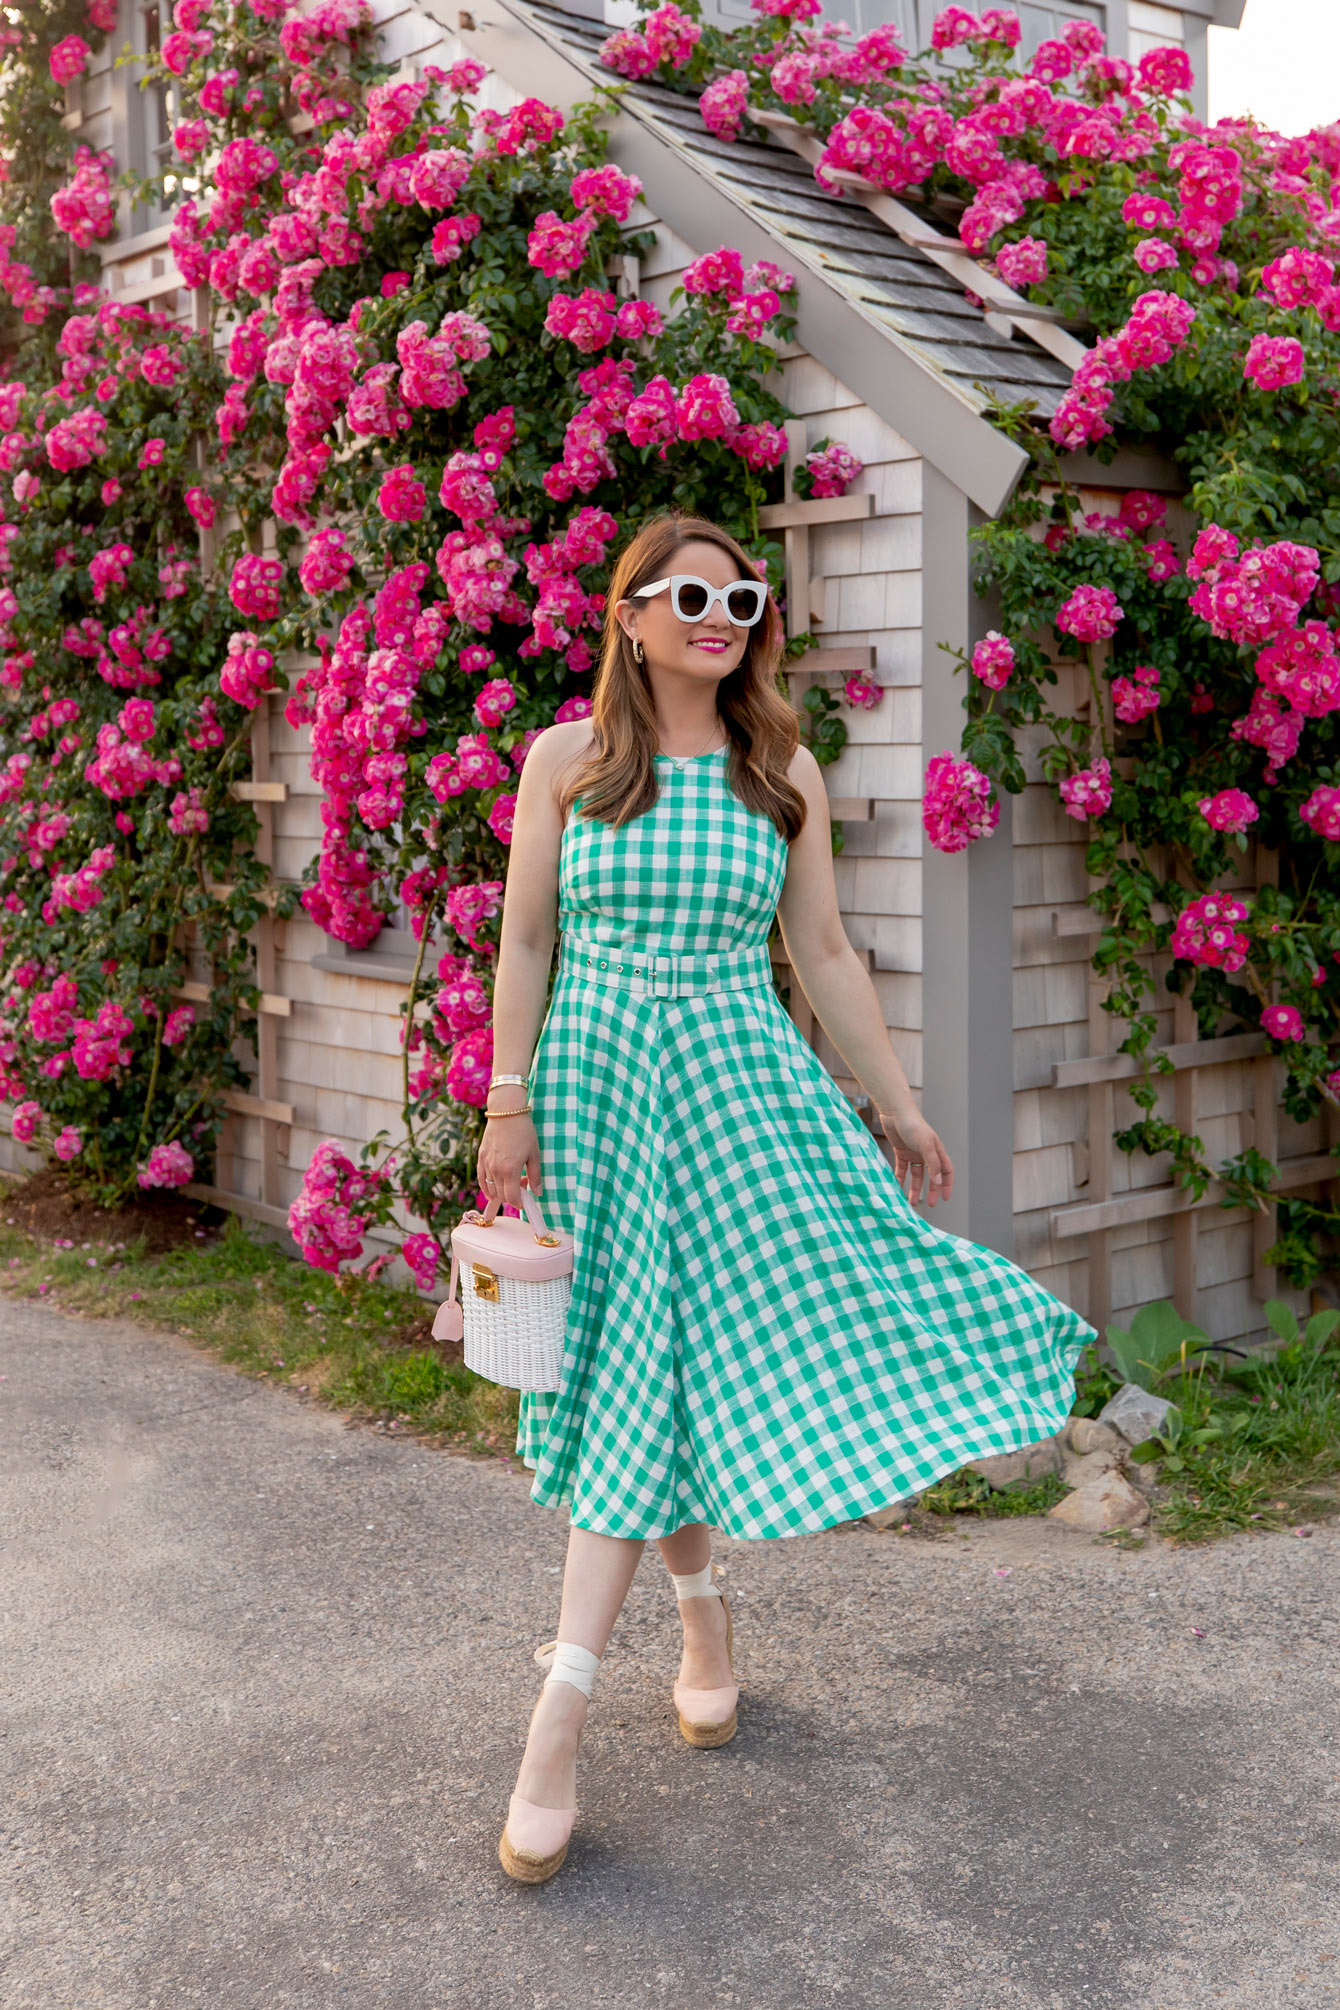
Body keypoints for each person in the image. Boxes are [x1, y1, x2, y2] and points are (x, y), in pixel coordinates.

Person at [478, 510, 1094, 1883]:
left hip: (739, 1096)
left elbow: (820, 950)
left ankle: (559, 1714)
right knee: (641, 1366)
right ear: (630, 615)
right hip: (594, 1099)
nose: (720, 615)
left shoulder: (781, 768)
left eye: (741, 596)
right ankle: (701, 1621)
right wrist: (505, 1101)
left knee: (660, 1368)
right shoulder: (566, 762)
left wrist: (898, 1103)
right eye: (689, 594)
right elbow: (527, 938)